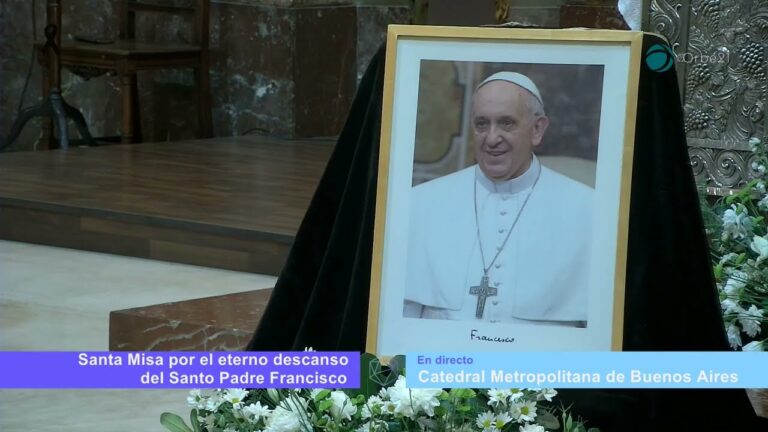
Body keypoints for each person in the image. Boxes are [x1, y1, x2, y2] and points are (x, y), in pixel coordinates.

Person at [403, 71, 593, 326]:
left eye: (507, 123)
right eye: (482, 124)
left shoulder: (589, 210)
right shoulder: (420, 204)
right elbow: (400, 328)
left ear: (537, 129)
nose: (492, 138)